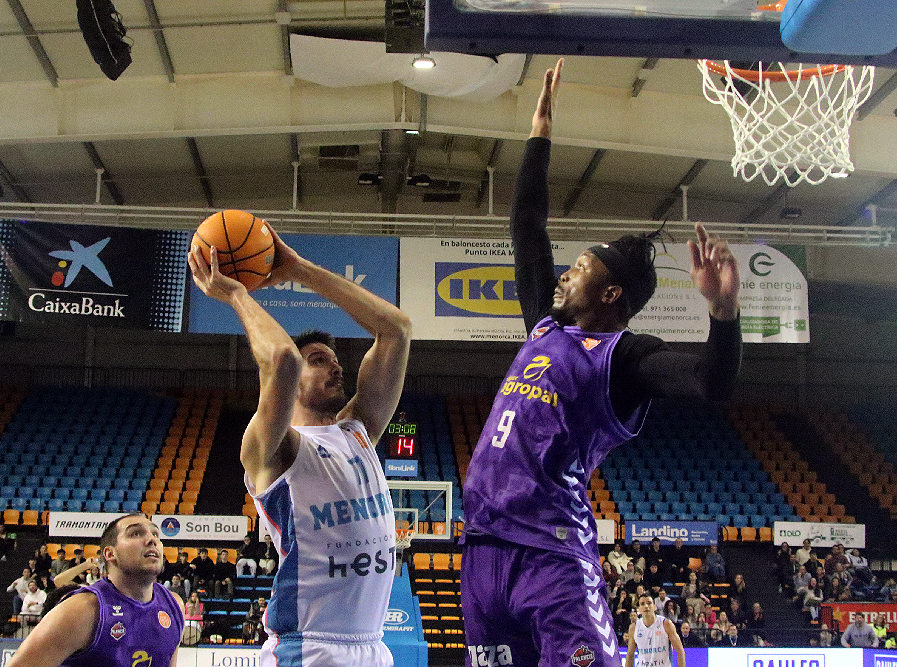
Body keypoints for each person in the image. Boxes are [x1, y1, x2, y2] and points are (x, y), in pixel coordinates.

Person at [460, 59, 741, 667]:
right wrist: (539, 134)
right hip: (482, 550)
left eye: (581, 269)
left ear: (612, 294)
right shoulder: (543, 323)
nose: (564, 272)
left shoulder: (626, 358)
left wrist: (723, 314)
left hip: (551, 555)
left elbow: (710, 382)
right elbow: (526, 225)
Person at [189, 219, 412, 667]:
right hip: (310, 647)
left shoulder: (358, 431)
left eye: (334, 361)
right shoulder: (273, 449)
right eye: (320, 361)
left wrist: (300, 269)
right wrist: (236, 294)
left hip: (373, 645)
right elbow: (282, 359)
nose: (336, 369)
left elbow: (397, 330)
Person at [7, 513, 183, 667]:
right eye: (135, 533)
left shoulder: (174, 605)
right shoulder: (82, 610)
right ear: (109, 554)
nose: (152, 539)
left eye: (155, 533)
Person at [626, 593, 686, 667]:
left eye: (649, 603)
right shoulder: (634, 628)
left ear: (655, 607)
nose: (646, 606)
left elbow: (680, 651)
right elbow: (630, 655)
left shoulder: (666, 624)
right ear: (639, 609)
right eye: (642, 604)